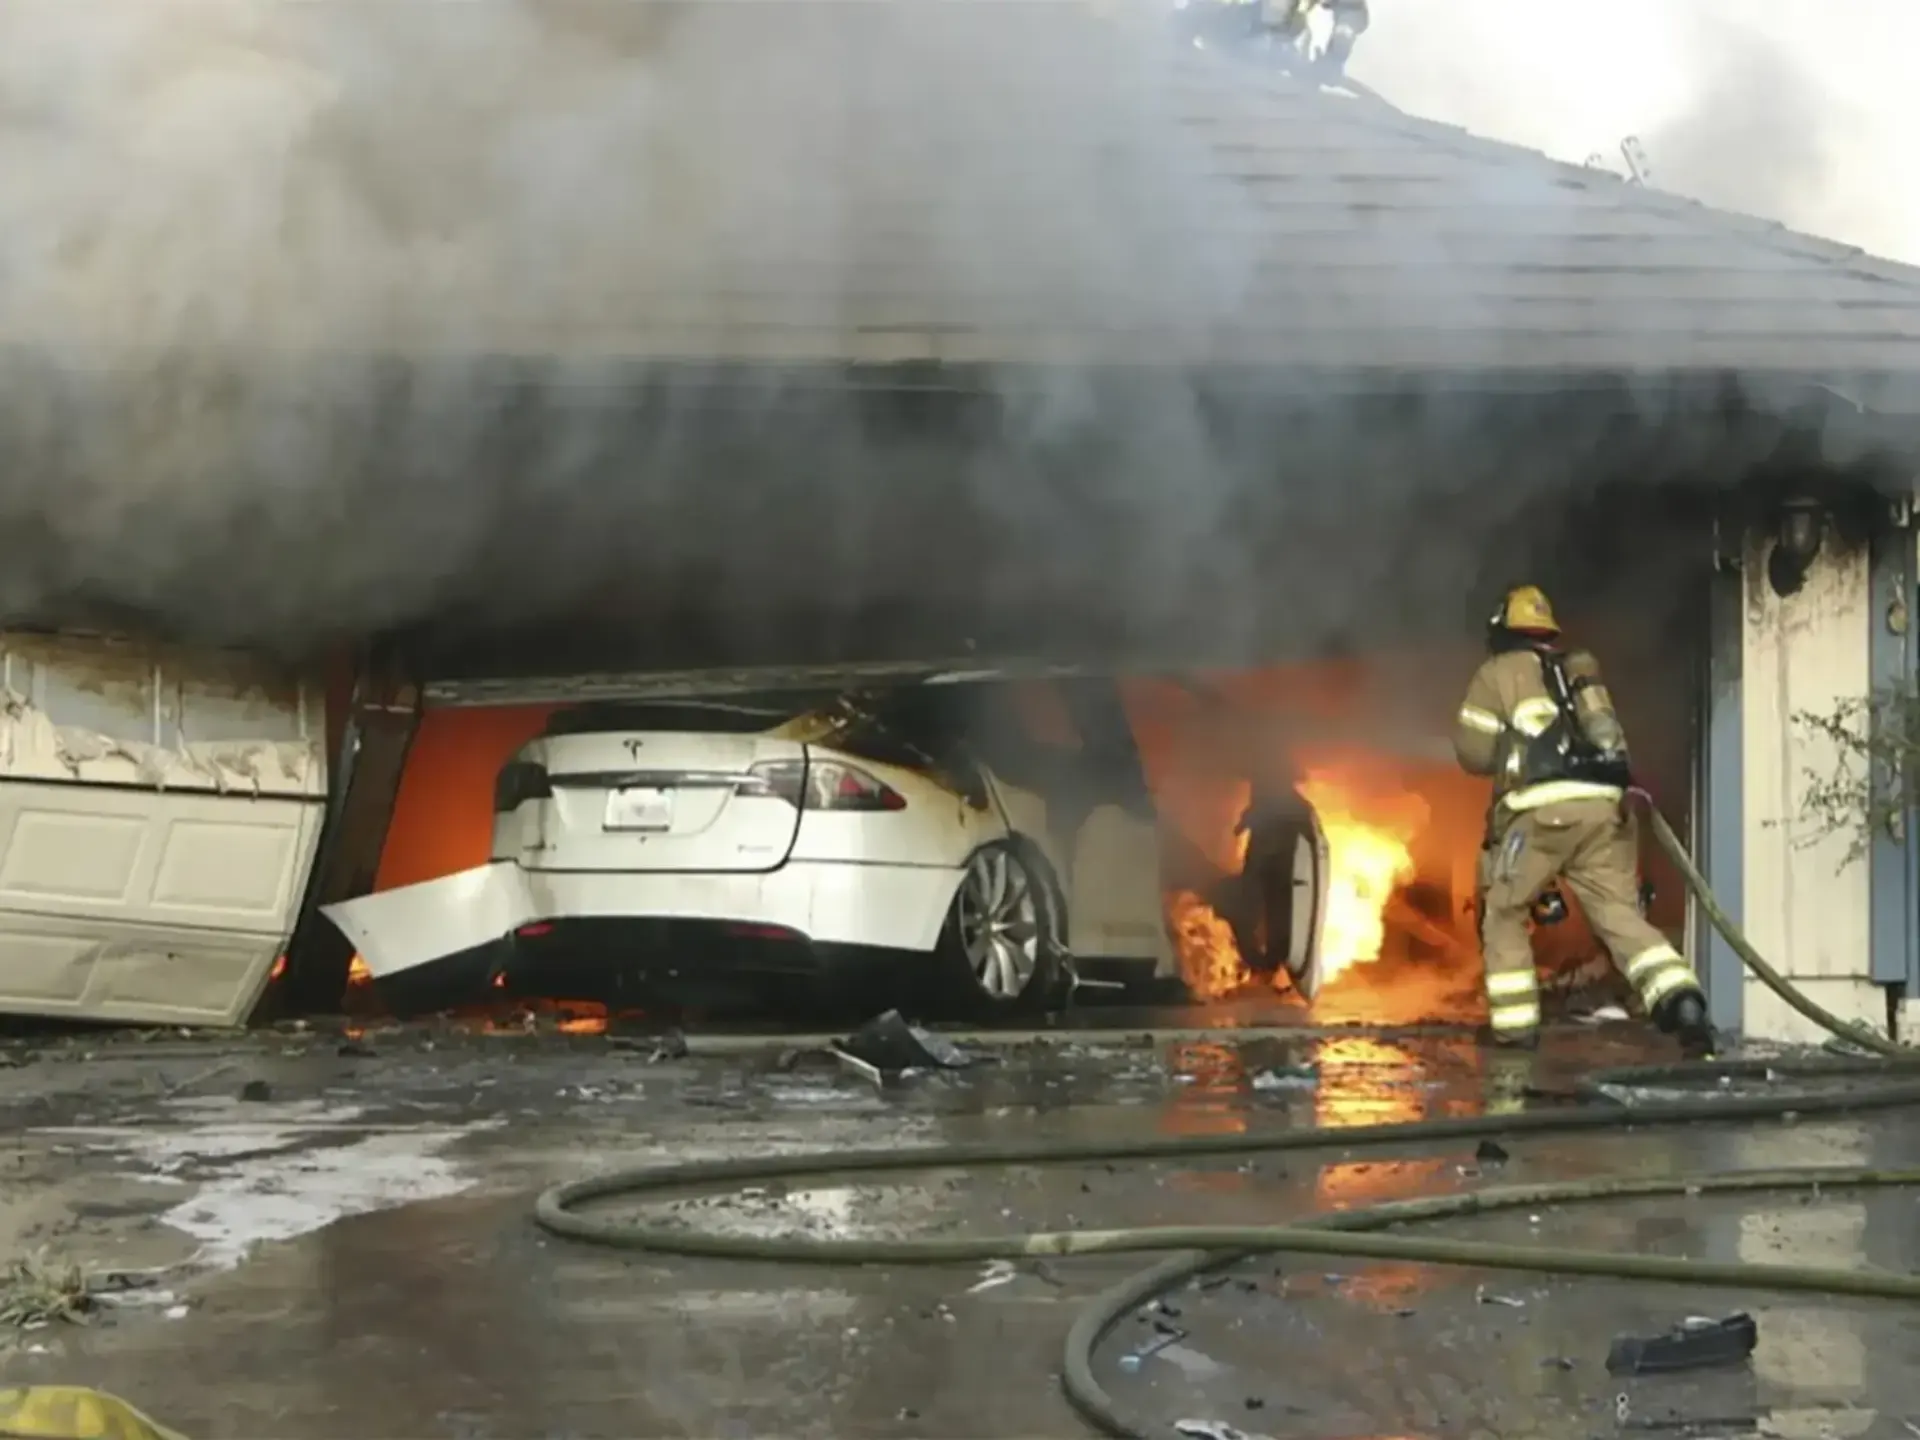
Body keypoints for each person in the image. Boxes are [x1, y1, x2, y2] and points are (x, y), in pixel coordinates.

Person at [1451, 584, 1712, 1053]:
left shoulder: (1496, 673)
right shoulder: (1575, 673)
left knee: (1505, 910)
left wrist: (1504, 750)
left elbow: (1473, 753)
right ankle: (1681, 999)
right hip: (1607, 810)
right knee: (1618, 915)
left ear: (1501, 631)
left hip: (1544, 811)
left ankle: (1514, 1030)